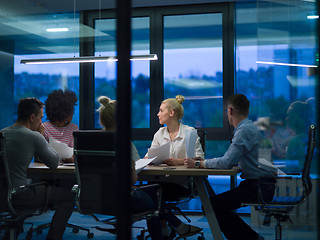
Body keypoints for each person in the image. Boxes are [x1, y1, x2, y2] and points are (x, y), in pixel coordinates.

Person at [185, 94, 277, 240]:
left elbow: (226, 162)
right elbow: (253, 159)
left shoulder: (243, 131)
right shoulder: (251, 128)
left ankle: (251, 238)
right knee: (215, 205)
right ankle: (251, 238)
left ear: (230, 111)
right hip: (264, 184)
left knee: (211, 206)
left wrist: (198, 163)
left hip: (258, 187)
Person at [0, 97, 74, 240]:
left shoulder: (2, 133)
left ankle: (13, 231)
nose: (41, 122)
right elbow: (53, 162)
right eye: (40, 118)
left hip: (1, 195)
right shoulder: (34, 136)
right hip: (19, 195)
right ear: (32, 117)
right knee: (68, 198)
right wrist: (40, 134)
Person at [97, 96, 162, 240]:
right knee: (154, 194)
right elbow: (131, 179)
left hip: (95, 198)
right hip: (123, 198)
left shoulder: (91, 141)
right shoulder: (123, 142)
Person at [145, 95, 204, 239]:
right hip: (159, 181)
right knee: (150, 194)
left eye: (161, 110)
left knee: (151, 198)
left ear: (171, 113)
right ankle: (177, 227)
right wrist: (149, 159)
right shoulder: (159, 133)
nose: (157, 114)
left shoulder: (189, 132)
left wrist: (177, 162)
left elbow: (199, 159)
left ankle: (168, 232)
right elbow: (149, 155)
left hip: (180, 184)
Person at [42, 89, 79, 162]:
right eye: (71, 110)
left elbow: (76, 152)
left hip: (68, 170)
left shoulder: (73, 128)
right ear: (63, 111)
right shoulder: (43, 128)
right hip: (48, 170)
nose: (73, 113)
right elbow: (39, 156)